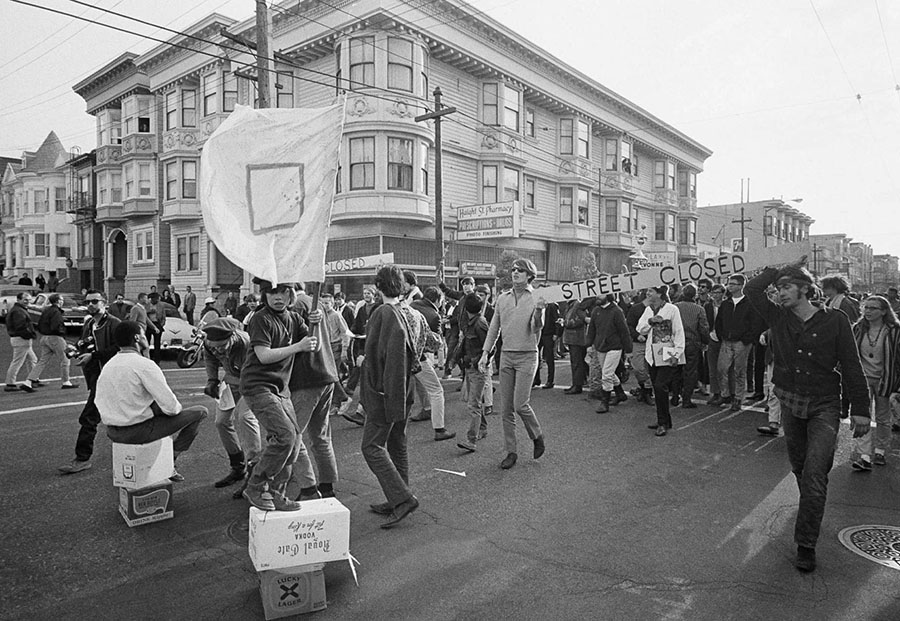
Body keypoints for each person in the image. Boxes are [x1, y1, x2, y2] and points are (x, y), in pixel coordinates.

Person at [745, 260, 869, 573]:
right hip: (790, 402)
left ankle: (806, 543)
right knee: (801, 468)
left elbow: (852, 365)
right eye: (779, 287)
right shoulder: (777, 315)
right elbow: (752, 288)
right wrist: (776, 271)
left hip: (825, 404)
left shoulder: (835, 320)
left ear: (805, 288)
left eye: (787, 286)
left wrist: (861, 411)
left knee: (815, 472)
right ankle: (812, 506)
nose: (780, 292)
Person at [240, 280, 318, 511]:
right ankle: (255, 485)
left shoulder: (294, 318)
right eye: (271, 292)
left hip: (280, 389)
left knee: (293, 443)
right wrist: (298, 346)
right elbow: (263, 356)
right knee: (284, 436)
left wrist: (317, 324)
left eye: (282, 292)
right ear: (264, 295)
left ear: (290, 294)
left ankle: (275, 493)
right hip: (258, 385)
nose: (277, 297)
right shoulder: (260, 318)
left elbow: (313, 345)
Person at [97, 321, 207, 481]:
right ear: (137, 338)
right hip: (137, 431)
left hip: (113, 431)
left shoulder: (109, 365)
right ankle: (171, 460)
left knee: (156, 412)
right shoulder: (144, 365)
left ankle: (161, 460)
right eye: (143, 334)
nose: (146, 337)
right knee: (201, 412)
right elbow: (172, 408)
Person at [361, 265, 424, 528]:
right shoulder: (406, 312)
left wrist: (383, 393)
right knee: (397, 441)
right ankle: (399, 494)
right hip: (403, 388)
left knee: (371, 447)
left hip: (387, 390)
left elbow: (386, 359)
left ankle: (402, 498)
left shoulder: (383, 313)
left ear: (377, 287)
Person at [479, 258, 546, 470]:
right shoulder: (502, 298)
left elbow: (537, 328)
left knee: (520, 405)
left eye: (520, 270)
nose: (515, 272)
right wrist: (485, 353)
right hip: (506, 356)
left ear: (529, 275)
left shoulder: (537, 297)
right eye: (514, 270)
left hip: (527, 355)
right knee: (506, 408)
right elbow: (494, 328)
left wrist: (539, 311)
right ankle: (511, 451)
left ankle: (537, 436)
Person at [58, 291, 121, 474]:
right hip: (95, 377)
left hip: (109, 378)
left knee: (89, 417)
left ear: (105, 302)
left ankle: (82, 459)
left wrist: (93, 355)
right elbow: (84, 343)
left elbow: (120, 348)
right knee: (120, 417)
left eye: (95, 301)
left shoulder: (114, 323)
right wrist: (75, 349)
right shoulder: (89, 323)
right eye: (88, 302)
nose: (91, 304)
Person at [285, 299, 340, 502]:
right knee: (321, 435)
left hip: (306, 377)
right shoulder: (314, 302)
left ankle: (308, 488)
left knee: (292, 435)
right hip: (326, 374)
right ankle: (327, 486)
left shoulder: (298, 305)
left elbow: (293, 342)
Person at [202, 317, 262, 491]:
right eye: (215, 347)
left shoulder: (245, 342)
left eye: (222, 346)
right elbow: (210, 359)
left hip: (252, 381)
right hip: (231, 380)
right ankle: (238, 467)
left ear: (232, 336)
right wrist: (212, 380)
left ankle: (255, 472)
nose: (218, 350)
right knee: (221, 422)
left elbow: (254, 370)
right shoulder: (209, 343)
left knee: (245, 418)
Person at [847, 295, 900, 469]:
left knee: (883, 418)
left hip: (886, 379)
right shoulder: (858, 328)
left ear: (884, 311)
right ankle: (864, 455)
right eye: (866, 307)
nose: (868, 311)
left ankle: (880, 451)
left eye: (873, 308)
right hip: (862, 379)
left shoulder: (894, 331)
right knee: (862, 415)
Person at [637, 285, 685, 437]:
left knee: (660, 386)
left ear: (659, 293)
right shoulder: (648, 309)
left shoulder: (672, 309)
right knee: (658, 389)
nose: (647, 293)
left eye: (651, 291)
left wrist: (676, 353)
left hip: (667, 352)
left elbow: (678, 331)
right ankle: (664, 420)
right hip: (652, 355)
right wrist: (650, 321)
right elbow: (640, 328)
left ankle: (663, 422)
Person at [410, 286, 455, 441]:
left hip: (399, 356)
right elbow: (435, 344)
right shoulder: (433, 315)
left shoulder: (411, 306)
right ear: (438, 300)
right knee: (436, 390)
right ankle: (439, 428)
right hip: (418, 357)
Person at [714, 275, 761, 412]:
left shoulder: (750, 303)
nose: (730, 286)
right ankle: (725, 394)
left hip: (742, 342)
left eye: (733, 284)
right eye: (729, 283)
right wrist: (721, 335)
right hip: (726, 341)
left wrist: (747, 339)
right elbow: (719, 322)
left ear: (741, 286)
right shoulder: (726, 303)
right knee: (721, 369)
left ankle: (738, 399)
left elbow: (755, 324)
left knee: (739, 372)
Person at [340, 286, 380, 425]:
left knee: (368, 378)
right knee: (362, 374)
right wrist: (351, 333)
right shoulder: (362, 309)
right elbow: (357, 324)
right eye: (364, 293)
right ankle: (360, 411)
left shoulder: (379, 308)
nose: (366, 295)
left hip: (372, 345)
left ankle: (360, 409)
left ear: (374, 294)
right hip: (362, 343)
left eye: (368, 293)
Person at [456, 293, 491, 452]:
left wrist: (479, 361)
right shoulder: (474, 322)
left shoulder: (479, 323)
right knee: (475, 402)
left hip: (477, 368)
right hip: (471, 367)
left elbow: (489, 346)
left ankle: (472, 439)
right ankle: (482, 429)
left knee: (473, 405)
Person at [586, 293, 632, 413]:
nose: (597, 297)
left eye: (600, 294)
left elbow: (624, 331)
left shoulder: (617, 311)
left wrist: (628, 350)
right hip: (600, 346)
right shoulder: (596, 311)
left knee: (606, 374)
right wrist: (589, 345)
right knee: (608, 372)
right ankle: (620, 393)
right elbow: (592, 329)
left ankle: (604, 402)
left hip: (614, 347)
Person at [25, 293, 77, 391]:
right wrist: (62, 333)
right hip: (55, 337)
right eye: (61, 300)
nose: (62, 301)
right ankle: (66, 381)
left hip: (44, 337)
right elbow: (56, 326)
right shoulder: (56, 312)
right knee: (65, 359)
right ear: (58, 301)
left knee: (42, 361)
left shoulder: (46, 311)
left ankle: (29, 381)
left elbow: (40, 324)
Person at [673, 284, 709, 409]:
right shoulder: (699, 309)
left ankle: (675, 396)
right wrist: (705, 341)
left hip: (676, 342)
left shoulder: (674, 307)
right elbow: (703, 328)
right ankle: (686, 399)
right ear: (694, 295)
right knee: (690, 371)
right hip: (692, 342)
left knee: (675, 370)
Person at [439, 276, 475, 378]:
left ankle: (453, 372)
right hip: (460, 330)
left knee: (465, 354)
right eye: (464, 284)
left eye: (468, 284)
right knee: (458, 353)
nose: (466, 287)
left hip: (469, 331)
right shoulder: (462, 296)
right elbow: (449, 292)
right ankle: (460, 374)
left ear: (473, 285)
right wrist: (441, 284)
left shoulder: (474, 298)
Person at [5, 291, 37, 392]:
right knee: (17, 362)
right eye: (25, 300)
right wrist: (30, 335)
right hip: (21, 339)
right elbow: (21, 327)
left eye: (29, 300)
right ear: (18, 300)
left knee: (32, 359)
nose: (27, 302)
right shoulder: (19, 312)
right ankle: (10, 383)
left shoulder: (18, 310)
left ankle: (33, 379)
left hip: (20, 338)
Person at [626, 290, 653, 405]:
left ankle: (647, 391)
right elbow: (629, 325)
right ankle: (644, 387)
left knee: (651, 368)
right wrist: (637, 335)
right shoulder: (636, 309)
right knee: (638, 367)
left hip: (653, 342)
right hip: (639, 342)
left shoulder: (661, 308)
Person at [562, 297, 593, 395]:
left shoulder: (577, 305)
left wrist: (567, 323)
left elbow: (580, 320)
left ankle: (577, 385)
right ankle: (578, 383)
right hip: (574, 338)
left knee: (576, 362)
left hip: (576, 338)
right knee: (577, 362)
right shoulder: (571, 305)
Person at [533, 290, 561, 389]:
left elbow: (557, 320)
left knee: (549, 358)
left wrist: (556, 334)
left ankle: (550, 381)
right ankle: (536, 379)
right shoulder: (536, 306)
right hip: (538, 333)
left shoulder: (552, 306)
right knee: (535, 356)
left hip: (548, 334)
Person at [705, 283, 726, 405]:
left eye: (718, 293)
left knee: (723, 368)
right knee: (712, 368)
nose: (715, 295)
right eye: (713, 293)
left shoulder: (727, 305)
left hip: (724, 339)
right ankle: (715, 393)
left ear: (723, 294)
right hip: (711, 338)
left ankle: (725, 393)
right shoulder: (708, 306)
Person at [145, 292, 166, 362]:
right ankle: (147, 357)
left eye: (157, 299)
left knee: (157, 343)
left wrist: (161, 324)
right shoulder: (147, 305)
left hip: (157, 323)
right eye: (154, 299)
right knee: (147, 341)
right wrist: (149, 311)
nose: (155, 300)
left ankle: (157, 358)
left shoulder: (161, 305)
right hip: (149, 324)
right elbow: (143, 314)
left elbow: (163, 316)